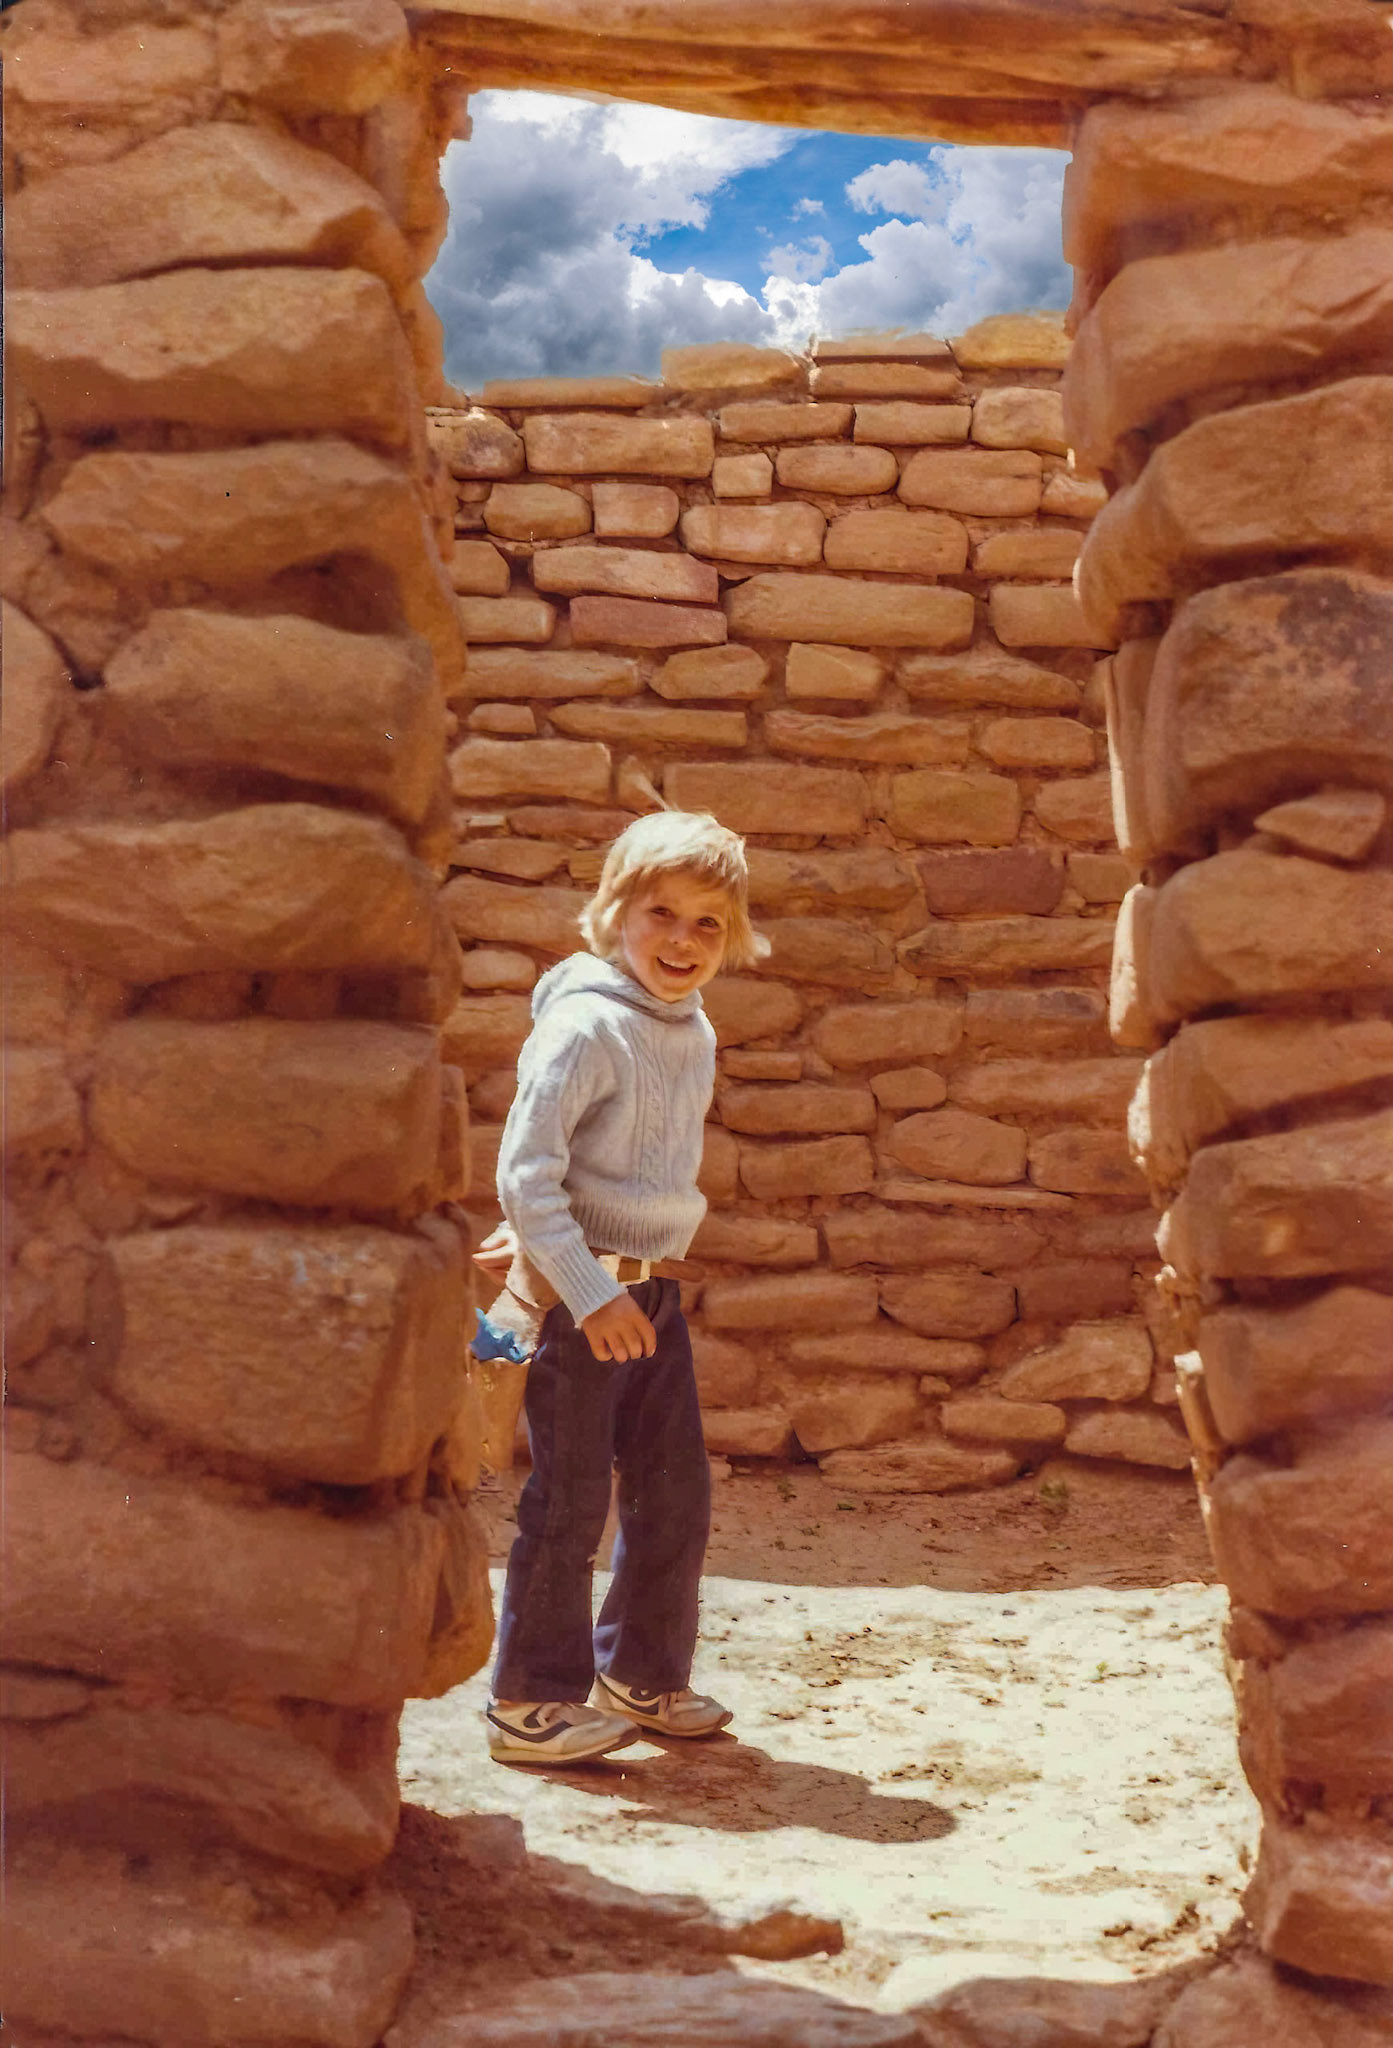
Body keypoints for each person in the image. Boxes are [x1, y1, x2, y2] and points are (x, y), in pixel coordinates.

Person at [479, 810, 766, 1766]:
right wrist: (582, 1286)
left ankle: (640, 1673)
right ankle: (529, 1702)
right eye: (661, 915)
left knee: (673, 1490)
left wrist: (625, 1288)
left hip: (651, 1298)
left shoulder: (692, 1029)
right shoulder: (583, 1025)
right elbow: (525, 1174)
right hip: (581, 1303)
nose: (683, 940)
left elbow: (627, 1168)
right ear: (612, 914)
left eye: (708, 923)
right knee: (567, 1502)